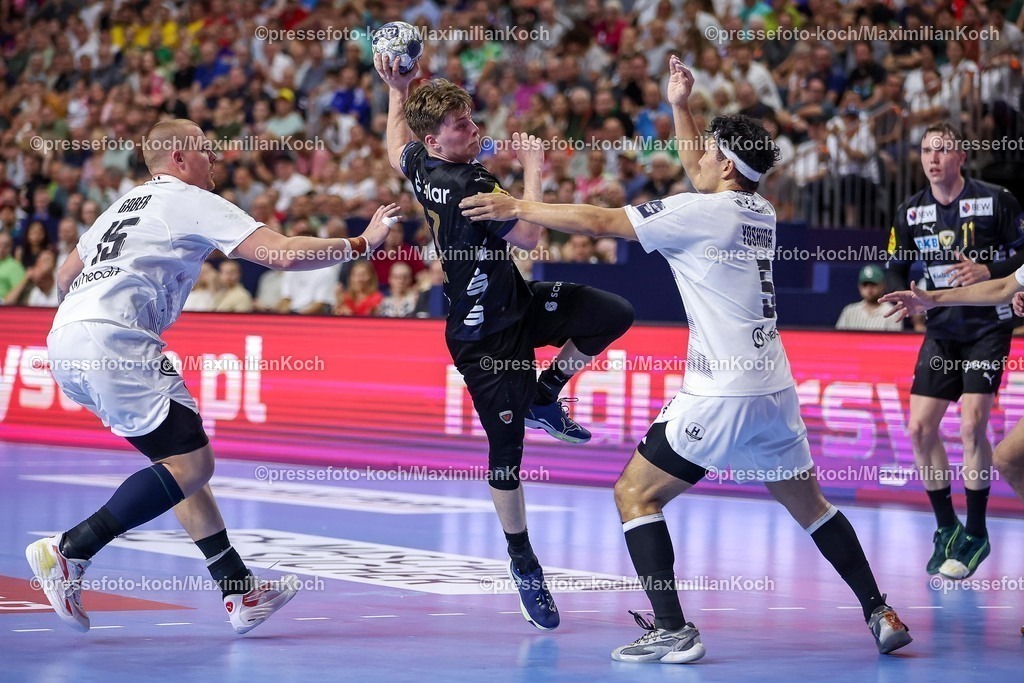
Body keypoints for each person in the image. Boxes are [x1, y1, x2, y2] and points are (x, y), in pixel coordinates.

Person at [461, 55, 911, 662]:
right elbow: (703, 168)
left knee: (634, 495)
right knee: (811, 505)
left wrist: (520, 207)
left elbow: (602, 220)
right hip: (774, 388)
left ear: (725, 163)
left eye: (708, 151)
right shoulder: (759, 211)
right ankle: (878, 609)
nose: (695, 157)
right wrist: (680, 104)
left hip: (720, 391)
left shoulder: (700, 214)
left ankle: (672, 628)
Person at [27, 118, 398, 634]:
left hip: (67, 336)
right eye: (206, 151)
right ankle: (70, 548)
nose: (215, 160)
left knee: (175, 464)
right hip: (116, 338)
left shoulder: (123, 204)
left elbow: (65, 276)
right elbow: (282, 254)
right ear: (180, 159)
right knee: (192, 465)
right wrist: (362, 244)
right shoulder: (189, 198)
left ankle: (239, 590)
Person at [376, 55, 634, 631]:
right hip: (482, 338)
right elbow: (533, 234)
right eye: (462, 126)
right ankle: (522, 559)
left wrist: (396, 90)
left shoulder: (423, 163)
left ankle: (548, 391)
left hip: (516, 305)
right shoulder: (470, 184)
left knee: (610, 313)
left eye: (470, 117)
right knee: (508, 455)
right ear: (438, 142)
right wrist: (533, 168)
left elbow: (397, 147)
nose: (474, 128)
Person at [883, 122, 1024, 580]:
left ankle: (977, 531)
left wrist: (988, 267)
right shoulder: (909, 211)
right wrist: (900, 297)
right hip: (942, 328)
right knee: (920, 429)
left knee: (971, 426)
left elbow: (1019, 257)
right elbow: (894, 265)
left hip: (989, 326)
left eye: (942, 150)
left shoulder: (995, 199)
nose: (933, 158)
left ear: (961, 157)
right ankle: (947, 528)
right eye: (926, 150)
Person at [835, 264, 904, 331]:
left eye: (873, 284)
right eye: (865, 284)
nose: (869, 289)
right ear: (860, 287)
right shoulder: (849, 311)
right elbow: (838, 340)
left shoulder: (892, 313)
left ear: (882, 286)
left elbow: (894, 342)